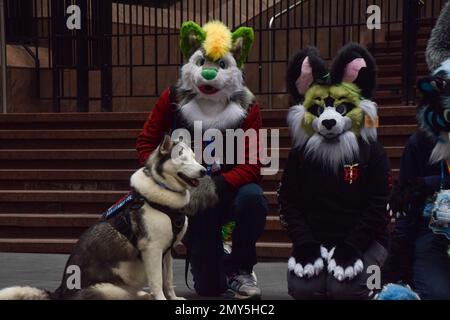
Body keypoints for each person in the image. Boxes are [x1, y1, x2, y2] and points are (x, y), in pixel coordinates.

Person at [136, 21, 267, 299]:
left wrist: (218, 184)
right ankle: (211, 257)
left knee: (253, 198)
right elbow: (146, 142)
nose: (209, 72)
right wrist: (164, 178)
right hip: (189, 193)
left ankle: (239, 267)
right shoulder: (172, 98)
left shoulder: (248, 105)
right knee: (209, 289)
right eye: (203, 62)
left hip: (229, 189)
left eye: (219, 65)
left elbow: (254, 163)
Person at [279, 43, 390, 300]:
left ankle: (379, 279)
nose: (329, 118)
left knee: (346, 289)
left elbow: (378, 206)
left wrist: (351, 247)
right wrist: (305, 244)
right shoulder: (301, 154)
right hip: (317, 237)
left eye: (340, 109)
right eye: (319, 110)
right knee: (303, 288)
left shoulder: (371, 150)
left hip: (366, 240)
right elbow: (289, 201)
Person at [384, 2, 450, 299]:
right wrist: (395, 267)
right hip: (434, 232)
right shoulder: (421, 142)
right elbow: (406, 205)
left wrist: (430, 183)